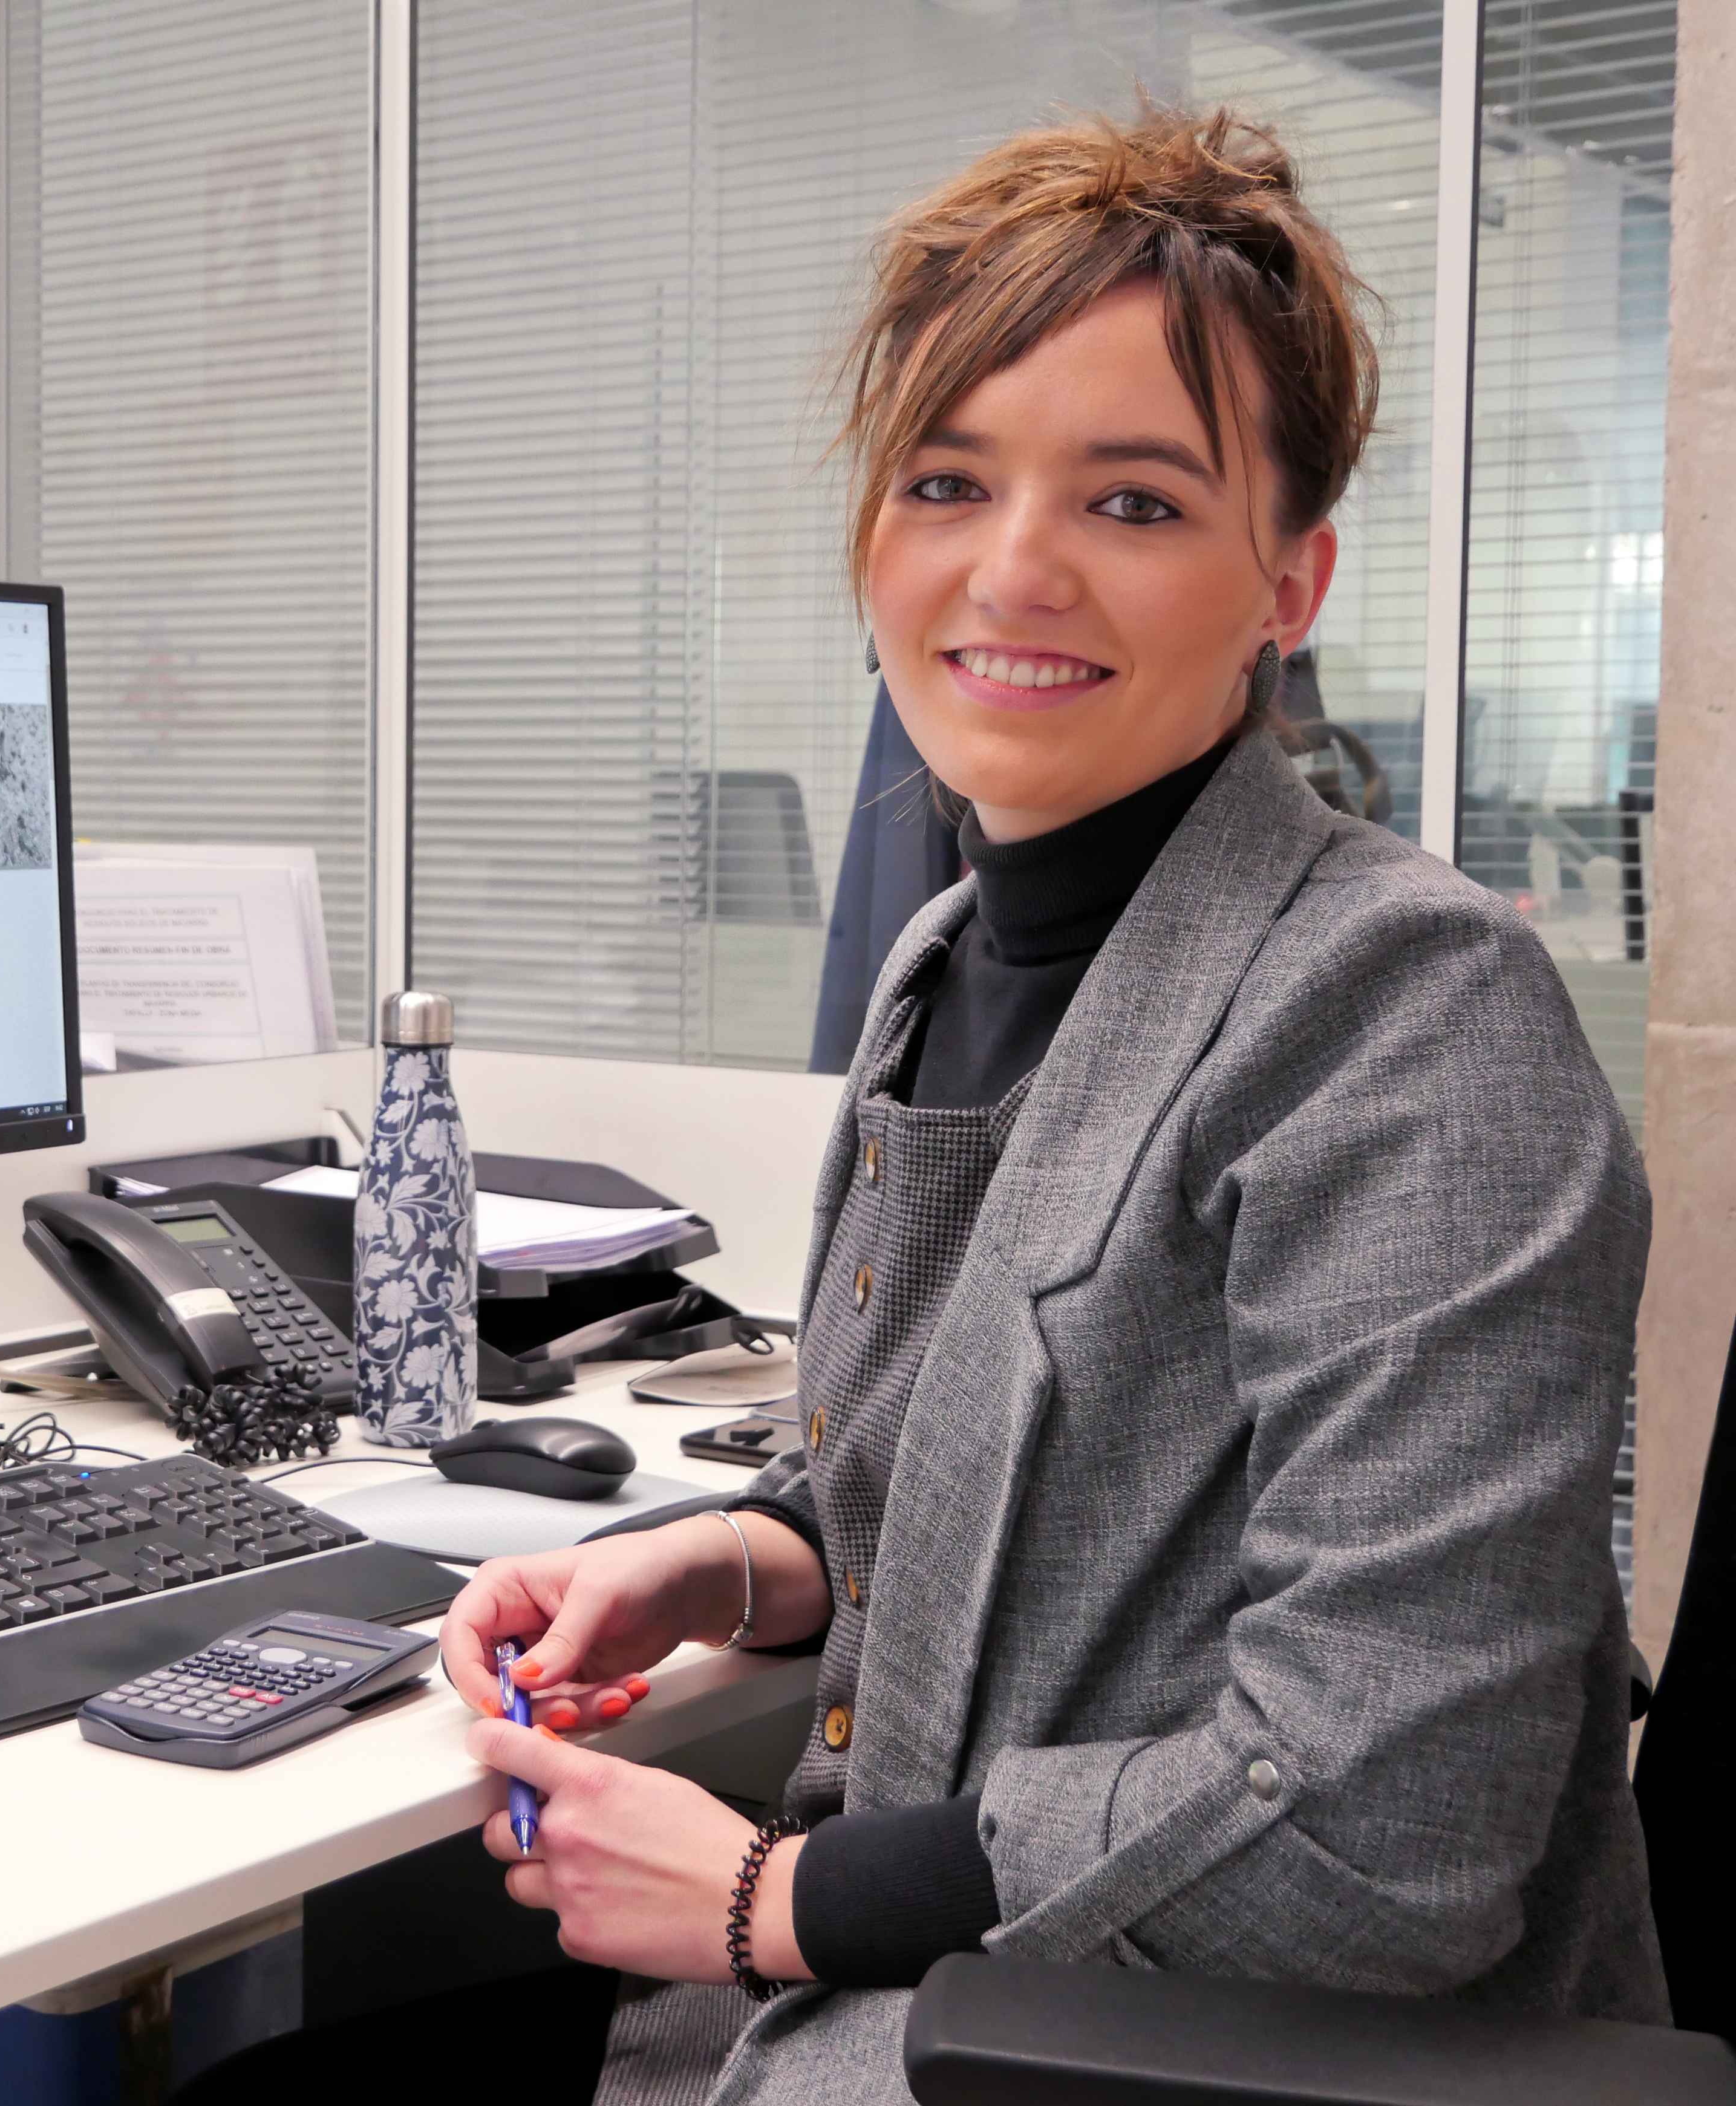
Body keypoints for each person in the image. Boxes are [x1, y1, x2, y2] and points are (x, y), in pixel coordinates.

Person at [182, 102, 1660, 2106]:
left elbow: (1380, 1833)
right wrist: (741, 1559)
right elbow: (1011, 1484)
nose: (1014, 568)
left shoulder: (1410, 1013)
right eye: (948, 478)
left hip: (1141, 2054)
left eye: (1135, 502)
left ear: (1288, 579)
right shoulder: (940, 964)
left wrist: (772, 1903)